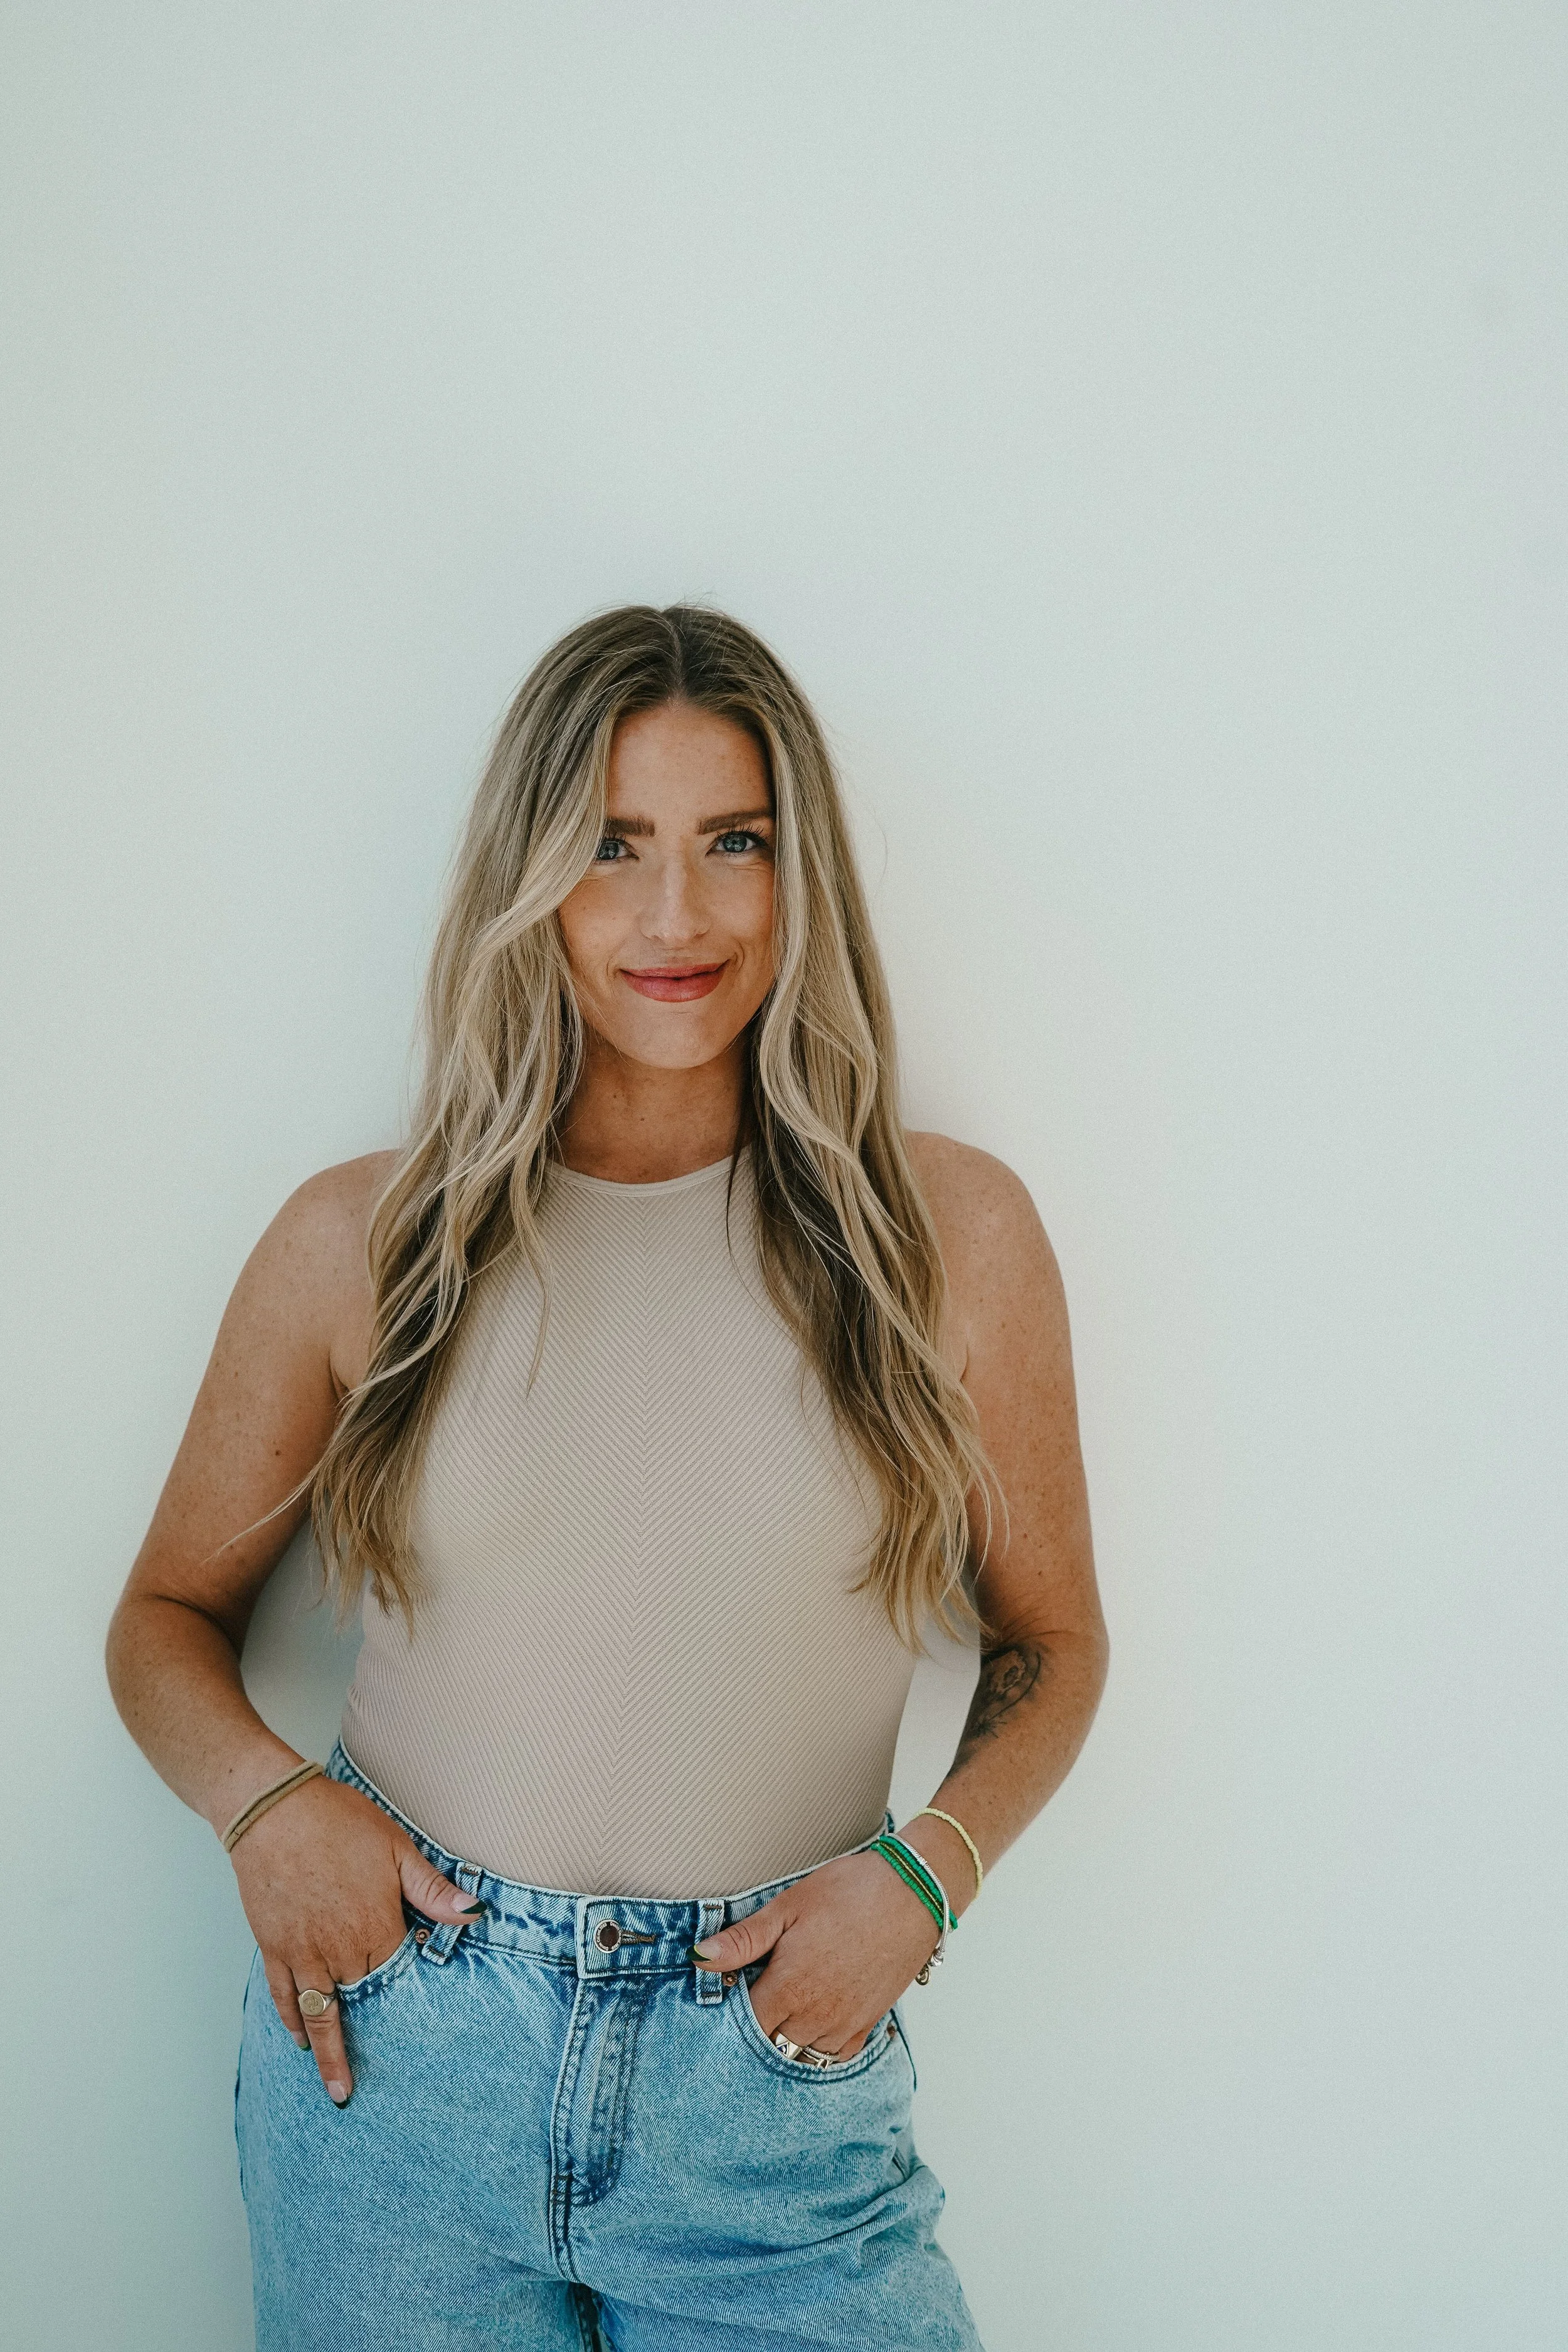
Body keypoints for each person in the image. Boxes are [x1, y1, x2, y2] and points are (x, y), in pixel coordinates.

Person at [105, 603, 1108, 2352]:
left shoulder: (948, 1239)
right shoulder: (363, 1242)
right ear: (530, 881)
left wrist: (927, 1875)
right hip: (401, 2064)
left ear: (801, 877)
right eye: (609, 846)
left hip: (771, 2075)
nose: (674, 917)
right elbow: (164, 1617)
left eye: (736, 842)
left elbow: (1057, 1641)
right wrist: (267, 1810)